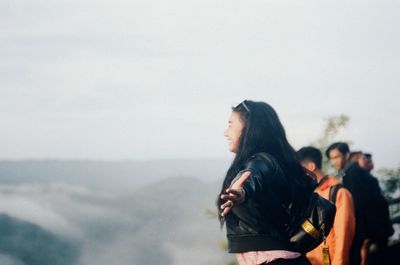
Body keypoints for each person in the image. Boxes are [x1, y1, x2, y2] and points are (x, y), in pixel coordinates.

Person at [218, 100, 315, 265]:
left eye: (230, 125)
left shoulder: (262, 161)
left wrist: (243, 192)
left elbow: (254, 175)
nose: (225, 133)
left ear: (249, 129)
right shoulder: (278, 161)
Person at [325, 143, 393, 265]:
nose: (335, 161)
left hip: (371, 225)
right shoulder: (352, 171)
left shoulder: (352, 173)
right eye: (332, 158)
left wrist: (363, 231)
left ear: (347, 155)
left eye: (337, 157)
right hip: (376, 224)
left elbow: (361, 203)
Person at [297, 146, 356, 265]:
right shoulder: (310, 194)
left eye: (298, 170)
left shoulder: (338, 193)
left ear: (310, 167)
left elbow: (343, 236)